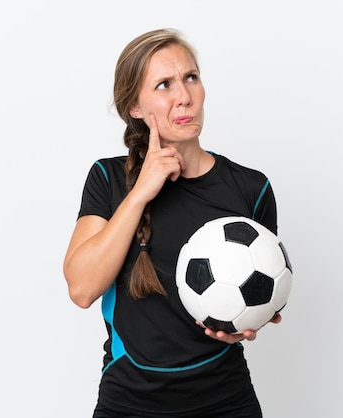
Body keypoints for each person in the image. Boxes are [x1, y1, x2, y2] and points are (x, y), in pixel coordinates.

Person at [63, 28, 282, 418]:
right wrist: (140, 193)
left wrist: (251, 321)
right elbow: (81, 289)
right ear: (134, 106)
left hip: (225, 400)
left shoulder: (251, 188)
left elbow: (256, 290)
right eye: (164, 85)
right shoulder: (108, 179)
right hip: (128, 403)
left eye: (191, 78)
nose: (184, 97)